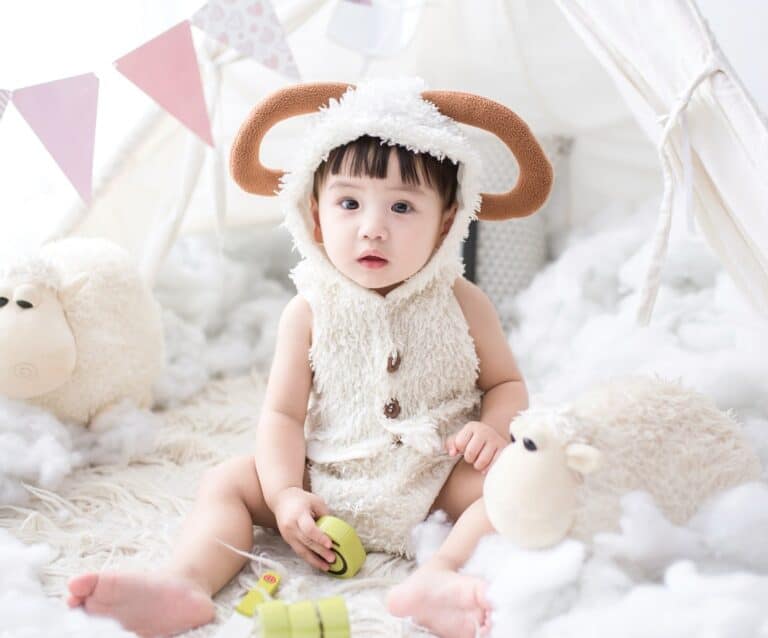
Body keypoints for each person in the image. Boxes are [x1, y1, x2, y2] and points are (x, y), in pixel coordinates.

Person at [66, 78, 552, 638]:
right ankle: (185, 582)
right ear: (315, 216)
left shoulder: (464, 302)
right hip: (328, 482)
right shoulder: (308, 311)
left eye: (402, 206)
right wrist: (285, 494)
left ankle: (437, 576)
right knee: (228, 481)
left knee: (517, 480)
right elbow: (282, 416)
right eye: (349, 203)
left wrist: (493, 429)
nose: (372, 227)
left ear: (447, 221)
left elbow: (507, 384)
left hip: (435, 478)